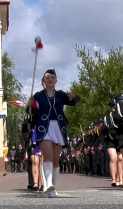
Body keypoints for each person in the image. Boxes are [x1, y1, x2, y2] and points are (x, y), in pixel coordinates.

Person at [30, 68, 80, 197]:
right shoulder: (38, 96)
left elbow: (75, 102)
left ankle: (53, 186)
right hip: (43, 128)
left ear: (56, 80)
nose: (50, 79)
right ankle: (48, 185)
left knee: (55, 159)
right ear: (43, 81)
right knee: (47, 156)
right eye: (47, 78)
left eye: (52, 77)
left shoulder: (61, 95)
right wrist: (31, 106)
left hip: (58, 127)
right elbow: (31, 112)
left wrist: (73, 96)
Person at [103, 100, 120, 187]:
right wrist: (106, 129)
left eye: (116, 107)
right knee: (113, 159)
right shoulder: (107, 118)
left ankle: (119, 179)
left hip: (120, 139)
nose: (114, 109)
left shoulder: (121, 116)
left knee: (120, 159)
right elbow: (102, 131)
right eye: (113, 107)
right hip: (110, 139)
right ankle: (113, 179)